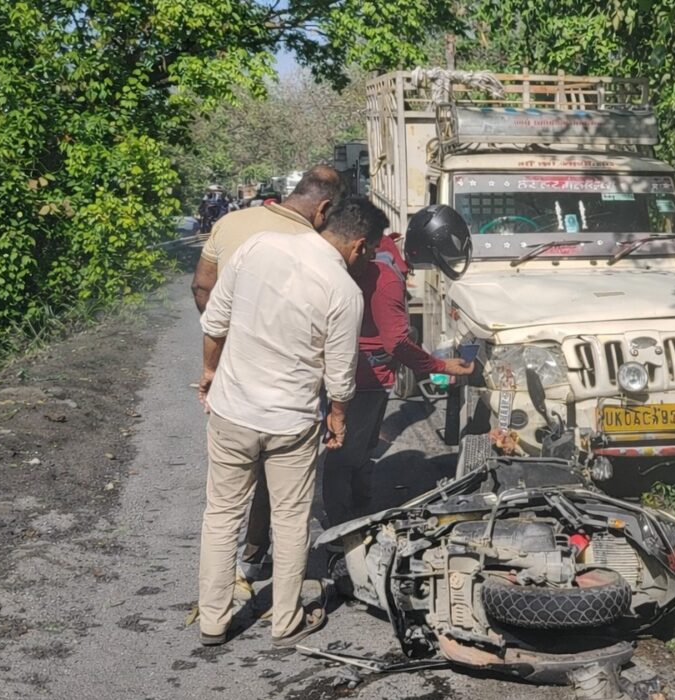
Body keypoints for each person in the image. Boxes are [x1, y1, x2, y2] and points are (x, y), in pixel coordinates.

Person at [194, 199, 380, 648]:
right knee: (292, 519)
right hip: (291, 422)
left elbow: (215, 321)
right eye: (371, 252)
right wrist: (337, 418)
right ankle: (285, 621)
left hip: (233, 410)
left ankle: (213, 622)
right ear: (358, 245)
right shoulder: (344, 290)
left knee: (222, 515)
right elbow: (340, 376)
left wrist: (210, 372)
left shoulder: (259, 246)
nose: (368, 260)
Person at [190, 166, 345, 585]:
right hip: (291, 388)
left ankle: (216, 602)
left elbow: (202, 288)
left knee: (224, 496)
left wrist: (218, 355)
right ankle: (256, 558)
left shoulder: (231, 223)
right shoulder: (316, 247)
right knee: (280, 484)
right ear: (324, 208)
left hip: (232, 373)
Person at [322, 227, 475, 528]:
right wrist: (441, 366)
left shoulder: (384, 249)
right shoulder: (388, 278)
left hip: (361, 370)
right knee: (348, 453)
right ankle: (342, 526)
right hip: (366, 379)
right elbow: (397, 343)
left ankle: (360, 506)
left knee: (361, 449)